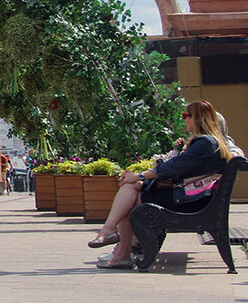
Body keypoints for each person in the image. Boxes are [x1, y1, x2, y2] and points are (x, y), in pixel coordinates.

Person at [87, 99, 232, 269]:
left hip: (190, 203)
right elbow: (179, 168)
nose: (184, 119)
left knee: (131, 195)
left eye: (186, 115)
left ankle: (114, 241)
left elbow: (173, 168)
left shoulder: (205, 143)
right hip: (193, 198)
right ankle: (115, 243)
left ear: (197, 118)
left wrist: (140, 176)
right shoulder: (208, 142)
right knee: (131, 189)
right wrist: (140, 179)